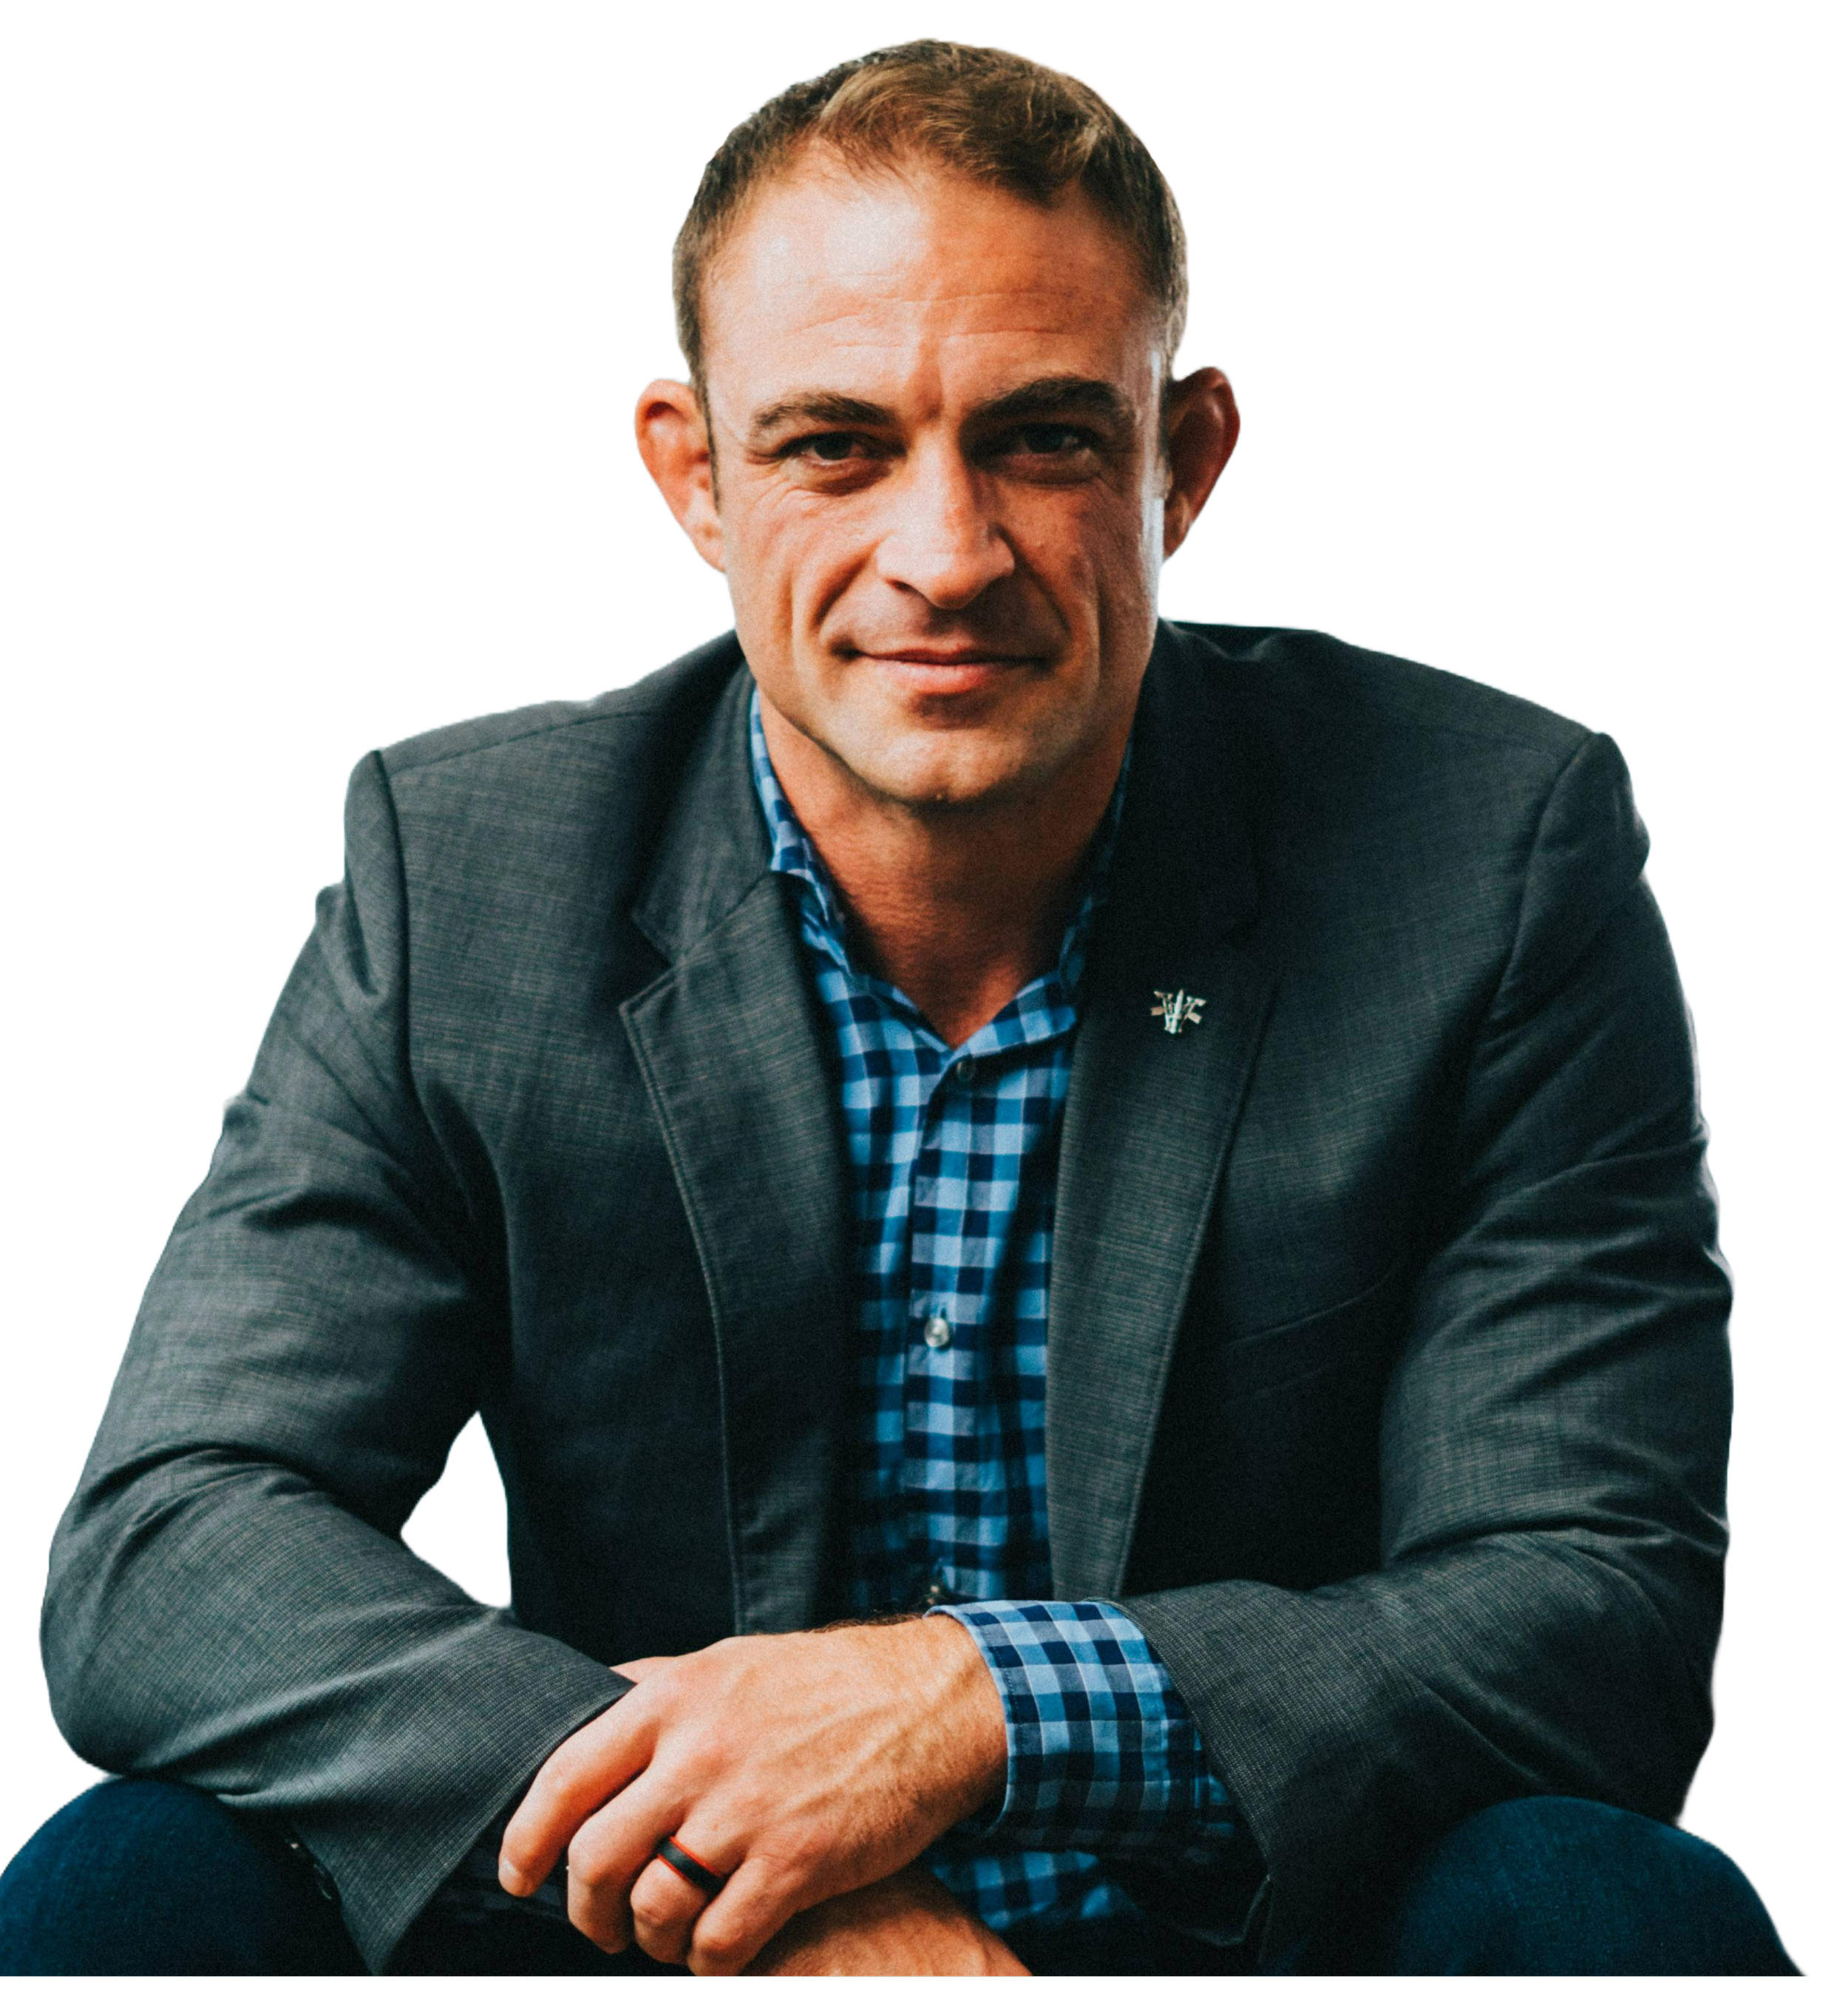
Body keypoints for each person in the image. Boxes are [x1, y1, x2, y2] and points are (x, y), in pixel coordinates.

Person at [0, 38, 1802, 1978]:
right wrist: (775, 1875)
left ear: (1180, 461)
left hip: (1237, 1927)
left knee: (1603, 1905)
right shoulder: (465, 863)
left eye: (1043, 439)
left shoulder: (1491, 843)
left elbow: (1592, 1603)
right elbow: (169, 1547)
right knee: (130, 1872)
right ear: (691, 474)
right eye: (831, 446)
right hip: (662, 1940)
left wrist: (973, 1704)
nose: (941, 557)